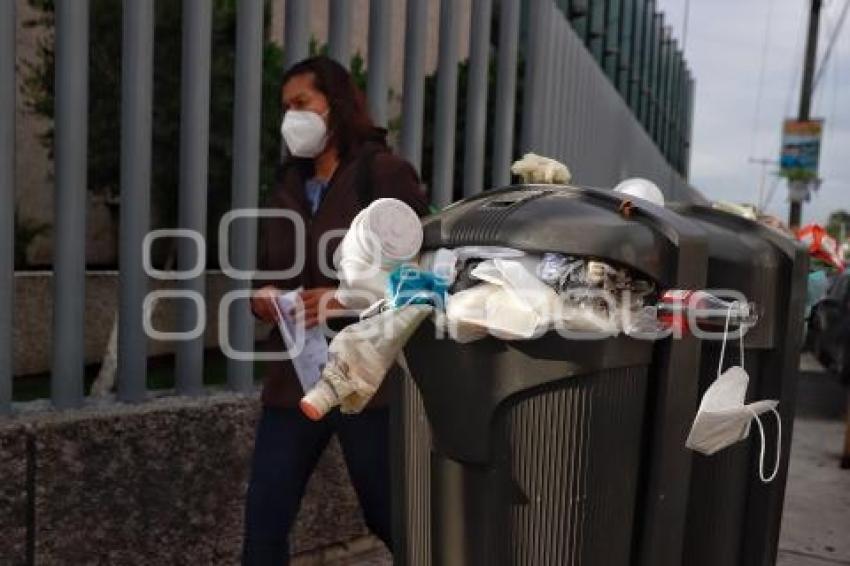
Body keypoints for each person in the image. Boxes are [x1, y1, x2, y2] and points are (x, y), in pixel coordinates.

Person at [242, 56, 429, 565]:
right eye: (285, 108)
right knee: (265, 519)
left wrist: (335, 299)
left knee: (392, 518)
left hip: (367, 385)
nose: (291, 118)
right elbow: (269, 269)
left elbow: (417, 276)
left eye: (301, 103)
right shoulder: (286, 184)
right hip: (294, 380)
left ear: (336, 103)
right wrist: (264, 300)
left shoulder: (383, 174)